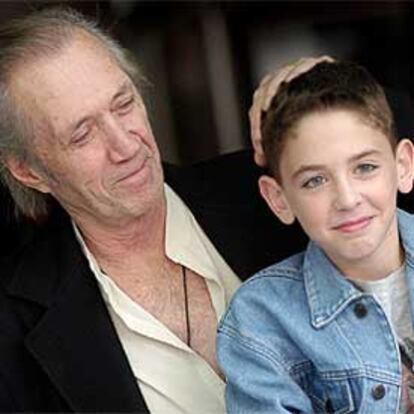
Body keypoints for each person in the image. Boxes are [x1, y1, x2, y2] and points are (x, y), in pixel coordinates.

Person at [0, 7, 306, 413]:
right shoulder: (11, 332)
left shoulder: (270, 185)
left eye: (124, 104)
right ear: (29, 170)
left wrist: (338, 92)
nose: (126, 147)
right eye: (82, 134)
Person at [217, 60, 414, 412]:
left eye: (365, 167)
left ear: (403, 166)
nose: (347, 198)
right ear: (279, 199)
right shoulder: (261, 319)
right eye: (315, 180)